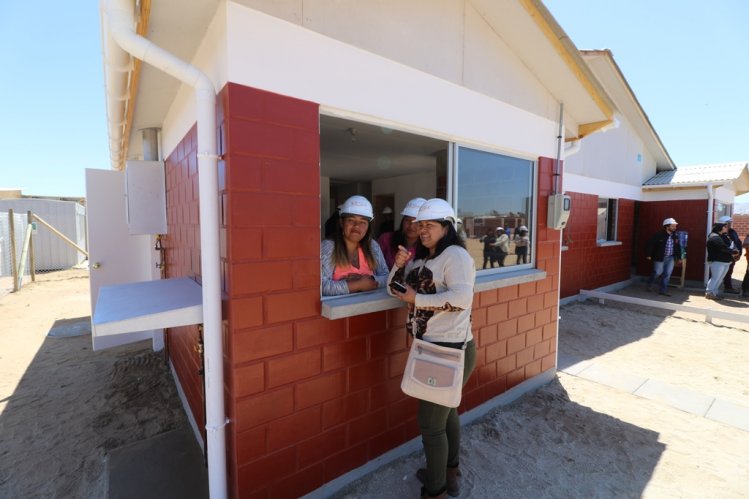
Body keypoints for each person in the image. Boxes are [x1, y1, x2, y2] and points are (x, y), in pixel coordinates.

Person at [387, 198, 477, 499]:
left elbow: (462, 299)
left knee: (430, 422)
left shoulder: (456, 256)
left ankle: (435, 489)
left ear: (447, 227)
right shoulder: (422, 259)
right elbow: (394, 290)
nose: (421, 230)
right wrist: (397, 268)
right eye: (419, 224)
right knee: (446, 414)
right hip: (431, 348)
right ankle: (448, 474)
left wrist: (417, 299)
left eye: (429, 225)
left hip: (450, 349)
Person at [320, 195, 389, 296]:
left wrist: (369, 280)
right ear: (341, 222)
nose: (356, 226)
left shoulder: (372, 246)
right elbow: (321, 286)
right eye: (351, 220)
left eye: (362, 222)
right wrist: (358, 284)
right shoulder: (329, 247)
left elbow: (387, 276)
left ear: (368, 227)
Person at [377, 198, 427, 268]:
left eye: (416, 222)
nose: (411, 226)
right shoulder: (386, 239)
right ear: (402, 221)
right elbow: (374, 266)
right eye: (407, 220)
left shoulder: (428, 247)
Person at [644, 217, 682, 296]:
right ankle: (650, 284)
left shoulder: (675, 236)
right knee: (658, 272)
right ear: (667, 226)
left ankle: (663, 290)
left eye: (675, 226)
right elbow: (650, 244)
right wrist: (648, 254)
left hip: (671, 258)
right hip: (659, 257)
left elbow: (678, 247)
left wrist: (679, 258)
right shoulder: (658, 235)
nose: (675, 227)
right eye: (673, 226)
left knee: (667, 274)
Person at [706, 222, 739, 300]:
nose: (726, 228)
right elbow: (722, 248)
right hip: (717, 261)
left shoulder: (721, 236)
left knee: (719, 278)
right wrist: (733, 252)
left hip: (724, 261)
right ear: (719, 228)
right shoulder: (714, 237)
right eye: (724, 227)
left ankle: (714, 292)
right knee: (715, 277)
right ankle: (709, 292)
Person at [718, 216, 742, 292]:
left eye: (730, 223)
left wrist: (739, 254)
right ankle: (713, 289)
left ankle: (728, 287)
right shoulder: (719, 234)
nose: (729, 225)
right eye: (728, 223)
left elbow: (738, 242)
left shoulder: (733, 232)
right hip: (722, 257)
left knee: (729, 272)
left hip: (733, 257)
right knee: (718, 273)